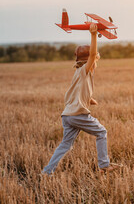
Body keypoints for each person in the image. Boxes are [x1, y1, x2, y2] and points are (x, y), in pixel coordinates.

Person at [42, 23, 120, 175]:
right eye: (96, 58)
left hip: (67, 116)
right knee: (102, 132)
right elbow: (92, 55)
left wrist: (89, 99)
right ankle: (104, 165)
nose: (96, 60)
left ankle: (47, 171)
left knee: (65, 145)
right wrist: (93, 34)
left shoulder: (78, 73)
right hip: (78, 114)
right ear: (90, 60)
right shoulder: (86, 69)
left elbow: (73, 94)